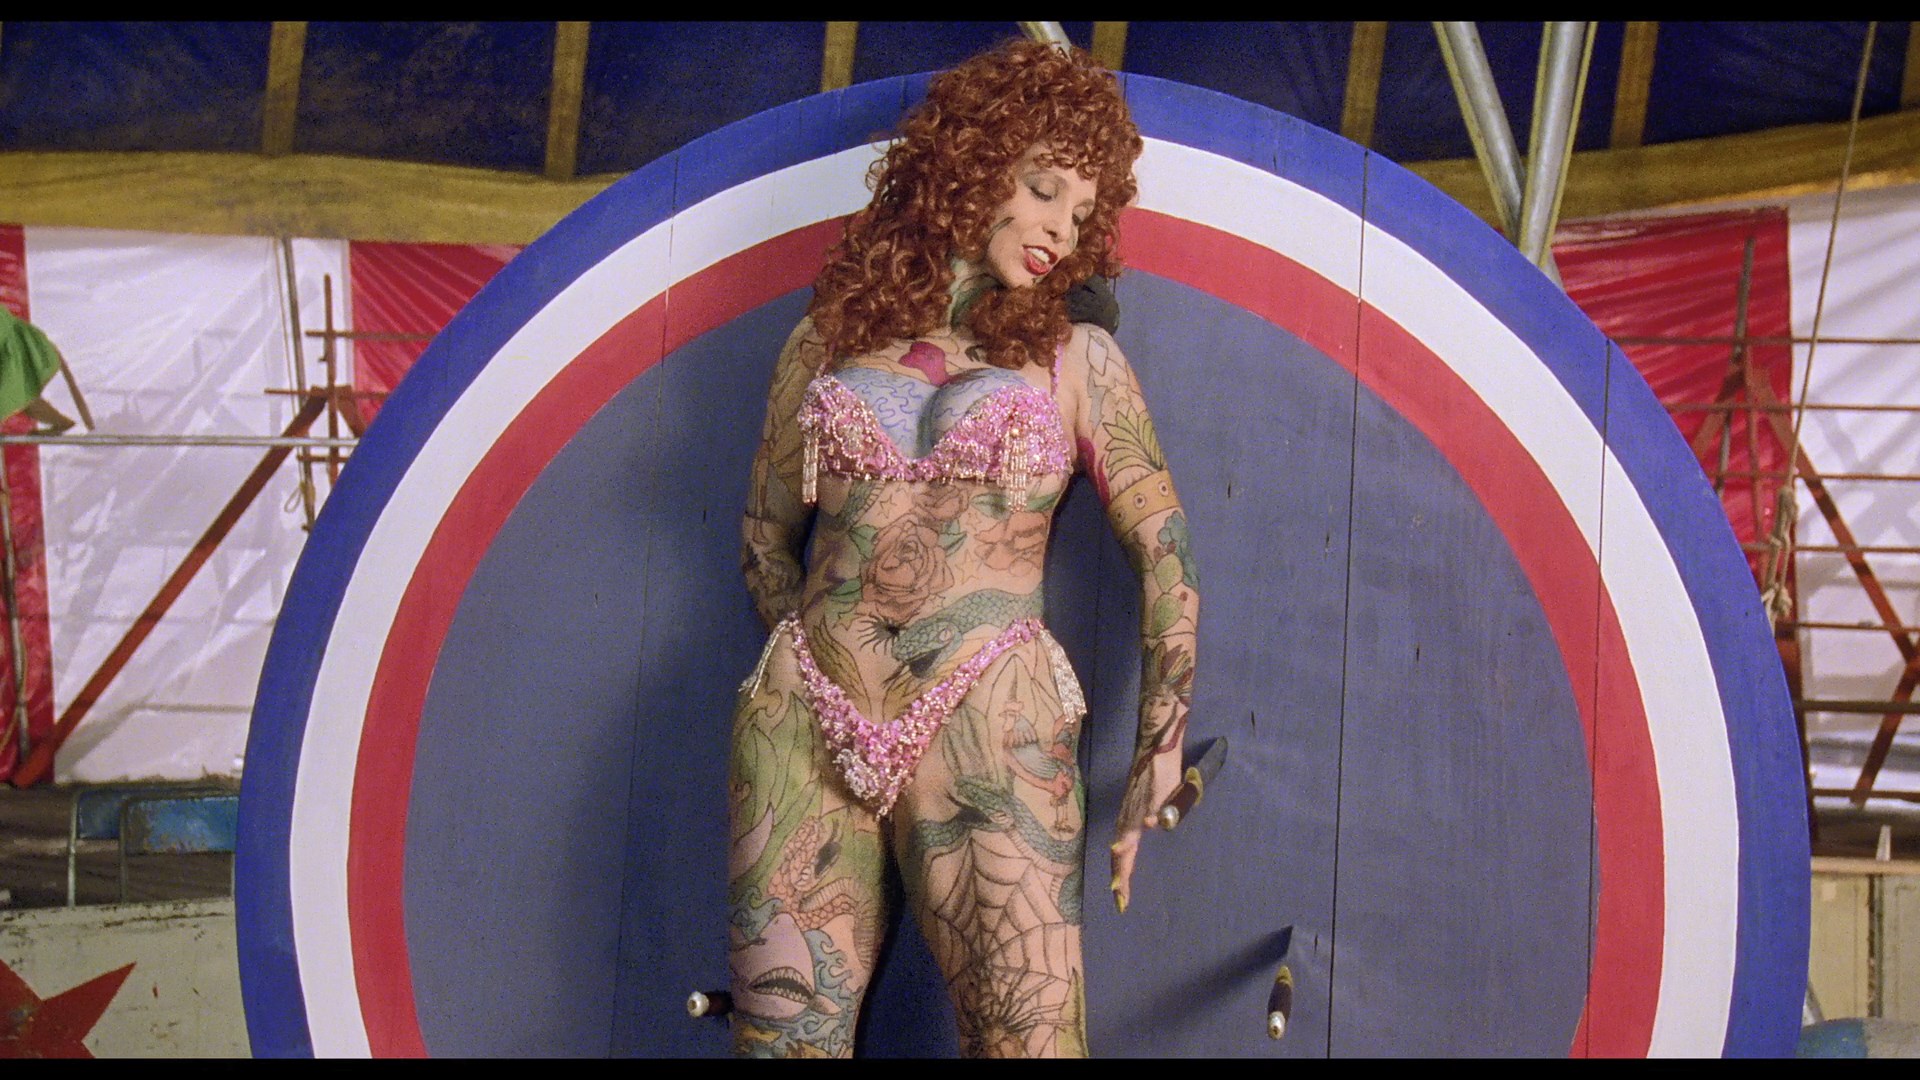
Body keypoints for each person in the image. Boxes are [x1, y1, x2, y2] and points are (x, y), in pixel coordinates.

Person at [727, 39, 1198, 1058]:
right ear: (973, 165)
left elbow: (1165, 555)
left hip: (991, 717)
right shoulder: (823, 343)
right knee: (780, 1047)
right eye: (1043, 189)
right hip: (807, 723)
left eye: (1082, 212)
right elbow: (764, 537)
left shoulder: (1079, 361)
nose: (1059, 229)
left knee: (1031, 1043)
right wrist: (813, 662)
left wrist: (1160, 746)